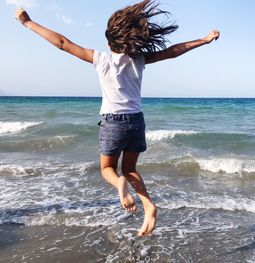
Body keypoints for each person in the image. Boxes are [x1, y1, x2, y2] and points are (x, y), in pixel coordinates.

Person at [15, 0, 220, 237]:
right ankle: (148, 205)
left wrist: (28, 22)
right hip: (136, 121)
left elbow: (62, 43)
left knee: (108, 169)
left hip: (113, 121)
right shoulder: (140, 59)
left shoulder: (101, 59)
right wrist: (204, 40)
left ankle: (119, 184)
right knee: (131, 168)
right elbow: (172, 51)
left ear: (110, 41)